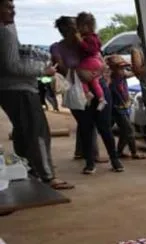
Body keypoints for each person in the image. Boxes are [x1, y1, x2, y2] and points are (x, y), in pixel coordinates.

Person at [0, 0, 70, 189]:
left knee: (23, 131)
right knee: (37, 132)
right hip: (19, 89)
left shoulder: (7, 29)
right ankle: (47, 175)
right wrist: (42, 70)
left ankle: (28, 169)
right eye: (8, 7)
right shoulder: (5, 32)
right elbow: (11, 65)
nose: (13, 11)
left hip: (9, 90)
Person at [51, 15, 122, 175]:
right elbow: (60, 68)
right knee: (85, 127)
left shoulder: (88, 42)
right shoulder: (57, 47)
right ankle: (89, 162)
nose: (72, 31)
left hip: (98, 85)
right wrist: (79, 72)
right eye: (68, 29)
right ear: (62, 31)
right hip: (78, 89)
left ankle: (114, 158)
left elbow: (102, 63)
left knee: (104, 125)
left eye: (75, 27)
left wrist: (94, 73)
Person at [107, 56, 143, 159]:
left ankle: (119, 152)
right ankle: (134, 152)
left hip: (123, 107)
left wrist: (131, 66)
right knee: (129, 130)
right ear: (113, 69)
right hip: (117, 108)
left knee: (124, 131)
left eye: (123, 68)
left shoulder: (121, 76)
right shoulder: (111, 80)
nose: (123, 71)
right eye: (120, 68)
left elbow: (134, 72)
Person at [74, 12, 106, 111]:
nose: (77, 28)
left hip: (88, 61)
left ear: (86, 26)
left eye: (78, 26)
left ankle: (87, 93)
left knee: (81, 79)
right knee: (94, 81)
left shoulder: (89, 38)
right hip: (96, 62)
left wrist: (80, 41)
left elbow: (90, 49)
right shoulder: (95, 37)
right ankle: (101, 98)